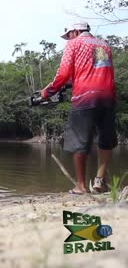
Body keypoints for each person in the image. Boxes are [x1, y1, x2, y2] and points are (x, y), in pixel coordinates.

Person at [41, 21, 117, 194]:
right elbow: (98, 70)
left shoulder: (73, 44)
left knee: (78, 141)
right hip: (107, 95)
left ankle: (81, 187)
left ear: (75, 32)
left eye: (68, 35)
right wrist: (68, 83)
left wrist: (48, 91)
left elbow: (63, 73)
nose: (67, 39)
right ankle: (99, 180)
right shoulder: (102, 45)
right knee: (105, 140)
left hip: (85, 97)